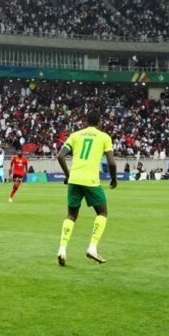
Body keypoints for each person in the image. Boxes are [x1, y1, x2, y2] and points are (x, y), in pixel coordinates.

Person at [55, 111, 117, 266]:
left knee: (71, 215)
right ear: (99, 122)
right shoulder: (104, 137)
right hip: (91, 180)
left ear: (86, 121)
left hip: (74, 179)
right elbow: (112, 163)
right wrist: (114, 179)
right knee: (102, 212)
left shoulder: (75, 135)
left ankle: (62, 249)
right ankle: (92, 247)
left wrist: (68, 175)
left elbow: (60, 156)